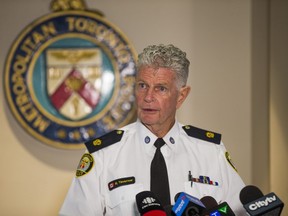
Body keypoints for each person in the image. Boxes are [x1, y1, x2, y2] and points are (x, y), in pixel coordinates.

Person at [59, 44, 246, 215]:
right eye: (142, 86)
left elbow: (240, 211)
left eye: (161, 89)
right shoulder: (103, 155)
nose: (148, 97)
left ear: (181, 96)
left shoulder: (211, 152)